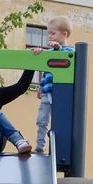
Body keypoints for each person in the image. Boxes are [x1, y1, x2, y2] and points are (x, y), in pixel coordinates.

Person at [34, 17, 75, 154]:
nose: (50, 36)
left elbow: (70, 59)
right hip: (47, 93)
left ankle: (59, 149)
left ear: (64, 34)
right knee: (41, 120)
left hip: (61, 93)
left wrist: (59, 49)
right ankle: (40, 147)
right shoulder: (49, 53)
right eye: (49, 34)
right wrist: (41, 87)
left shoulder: (70, 51)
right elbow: (46, 72)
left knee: (59, 122)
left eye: (53, 33)